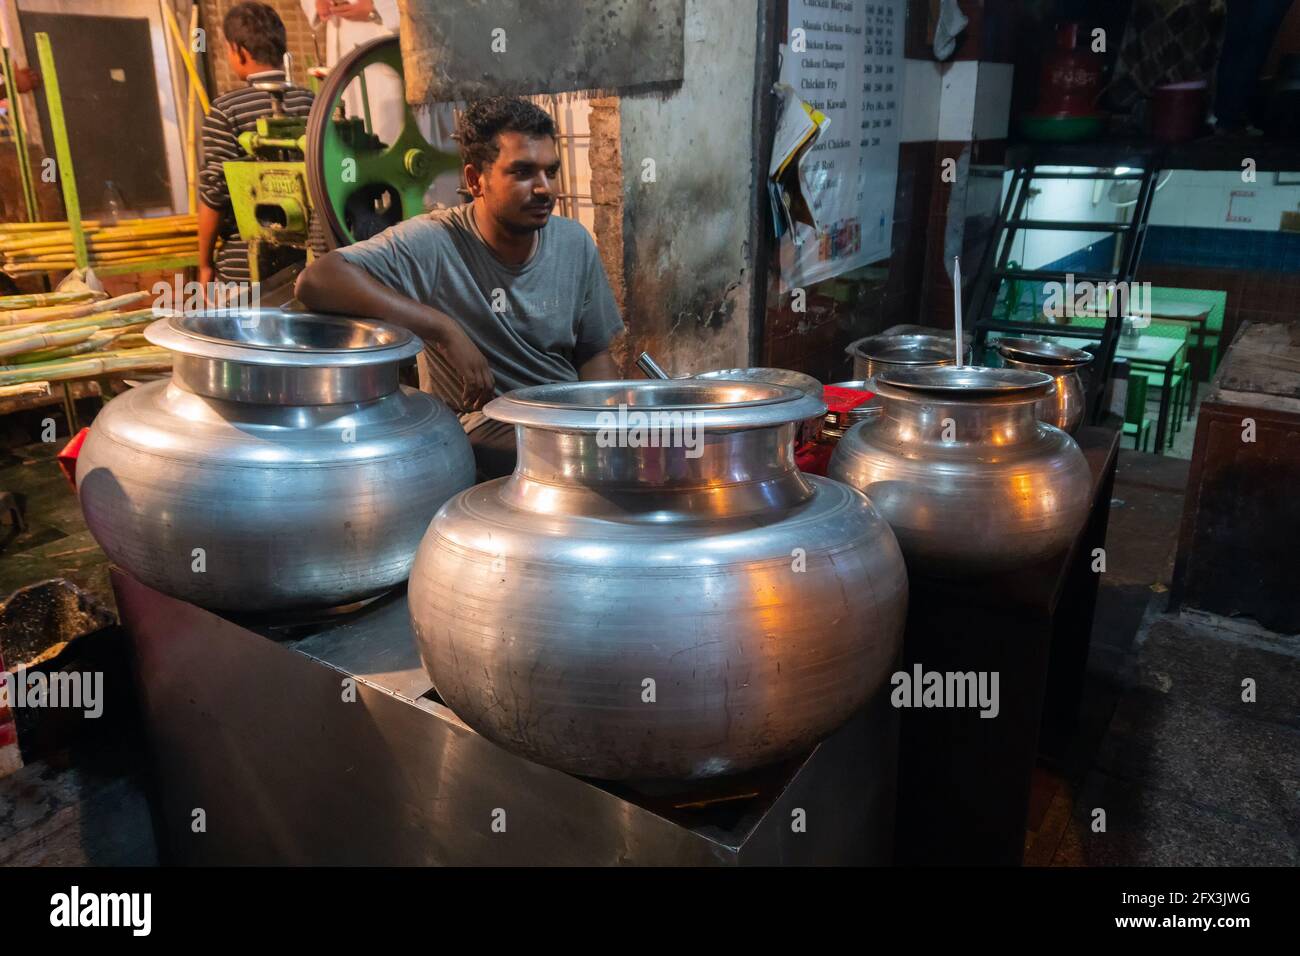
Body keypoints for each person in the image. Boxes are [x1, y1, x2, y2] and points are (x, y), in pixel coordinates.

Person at [295, 96, 623, 479]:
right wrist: (443, 329)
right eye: (522, 173)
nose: (544, 189)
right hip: (483, 431)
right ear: (474, 180)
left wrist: (609, 421)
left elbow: (594, 354)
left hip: (565, 422)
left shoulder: (573, 242)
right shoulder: (435, 241)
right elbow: (318, 280)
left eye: (551, 171)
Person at [198, 1, 314, 290]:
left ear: (240, 50)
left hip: (248, 265)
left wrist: (203, 263)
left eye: (227, 49)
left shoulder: (226, 110)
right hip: (313, 260)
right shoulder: (312, 102)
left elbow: (214, 193)